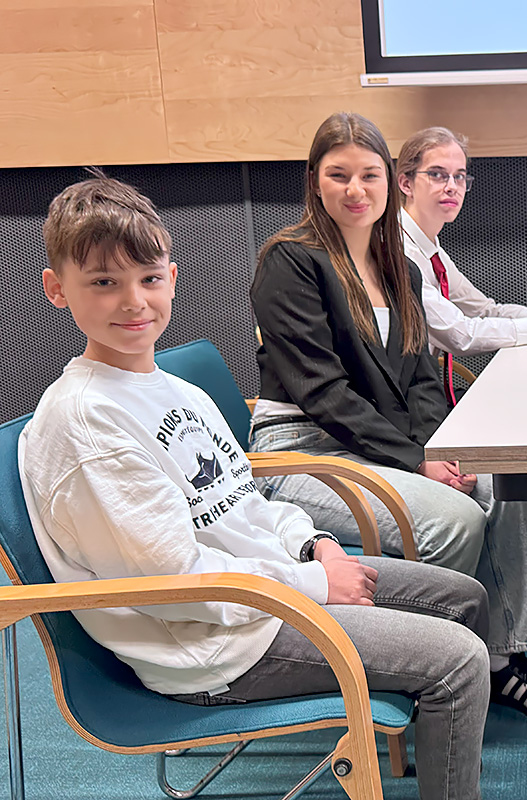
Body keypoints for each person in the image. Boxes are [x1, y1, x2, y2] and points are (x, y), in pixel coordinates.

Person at [18, 173, 491, 800]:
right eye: (104, 283)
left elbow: (244, 500)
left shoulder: (177, 392)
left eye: (149, 278)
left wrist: (315, 545)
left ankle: (441, 743)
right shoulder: (87, 422)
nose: (134, 301)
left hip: (267, 593)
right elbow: (177, 587)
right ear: (57, 289)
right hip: (219, 645)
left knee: (464, 597)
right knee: (460, 661)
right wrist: (317, 585)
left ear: (172, 278)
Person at [249, 112, 527, 724]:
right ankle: (435, 674)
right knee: (455, 520)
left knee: (496, 483)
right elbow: (325, 394)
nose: (356, 190)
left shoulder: (397, 263)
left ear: (386, 180)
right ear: (314, 180)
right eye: (339, 175)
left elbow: (422, 374)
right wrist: (416, 460)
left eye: (368, 174)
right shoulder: (290, 261)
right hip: (301, 451)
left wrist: (439, 448)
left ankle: (498, 658)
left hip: (376, 440)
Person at [397, 126, 527, 404]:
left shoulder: (430, 248)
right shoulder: (398, 251)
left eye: (459, 176)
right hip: (398, 405)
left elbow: (486, 310)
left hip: (424, 396)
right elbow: (461, 336)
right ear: (406, 183)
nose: (452, 186)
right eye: (437, 175)